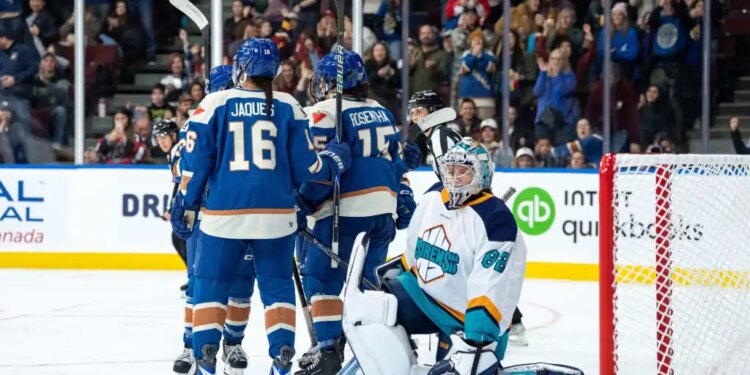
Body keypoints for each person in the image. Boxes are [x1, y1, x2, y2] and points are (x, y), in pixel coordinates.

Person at [171, 38, 351, 375]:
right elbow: (307, 170)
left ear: (241, 69)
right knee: (277, 289)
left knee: (210, 284)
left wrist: (186, 204)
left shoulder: (214, 103)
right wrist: (332, 163)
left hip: (223, 217)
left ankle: (206, 358)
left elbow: (195, 166)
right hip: (277, 219)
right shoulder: (289, 106)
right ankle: (281, 359)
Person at [342, 138, 528, 375]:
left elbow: (491, 285)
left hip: (464, 318)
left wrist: (478, 337)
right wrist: (398, 276)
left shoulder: (496, 220)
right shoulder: (433, 196)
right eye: (450, 170)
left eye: (464, 171)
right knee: (378, 309)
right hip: (425, 298)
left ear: (482, 174)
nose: (454, 177)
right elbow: (413, 248)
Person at [294, 49, 414, 375]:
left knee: (322, 279)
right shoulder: (382, 112)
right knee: (363, 283)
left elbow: (317, 169)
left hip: (344, 213)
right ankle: (364, 346)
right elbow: (396, 163)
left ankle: (328, 350)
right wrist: (403, 195)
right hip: (382, 214)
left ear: (330, 83)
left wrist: (302, 201)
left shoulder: (323, 112)